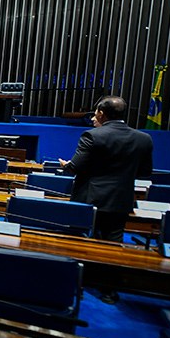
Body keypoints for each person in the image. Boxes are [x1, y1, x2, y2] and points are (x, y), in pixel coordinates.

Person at [59, 96, 153, 243]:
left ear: (101, 113)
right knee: (114, 241)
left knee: (82, 242)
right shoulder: (144, 138)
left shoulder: (92, 135)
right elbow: (145, 172)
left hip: (92, 199)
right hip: (121, 200)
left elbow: (75, 167)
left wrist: (66, 165)